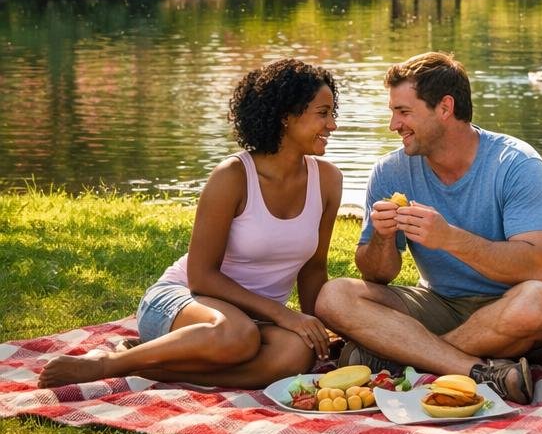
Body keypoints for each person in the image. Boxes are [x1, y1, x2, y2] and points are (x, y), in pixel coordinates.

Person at [40, 59, 343, 389]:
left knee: (295, 355)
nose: (333, 125)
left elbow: (313, 270)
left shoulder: (327, 180)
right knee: (237, 336)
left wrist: (322, 331)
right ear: (286, 115)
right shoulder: (233, 176)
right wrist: (283, 314)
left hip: (256, 321)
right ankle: (108, 363)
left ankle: (152, 369)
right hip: (184, 303)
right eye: (323, 113)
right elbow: (201, 277)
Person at [316, 51, 542, 404]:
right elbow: (379, 275)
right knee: (334, 296)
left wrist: (449, 239)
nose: (394, 125)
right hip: (443, 302)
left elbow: (535, 268)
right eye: (393, 111)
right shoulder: (390, 171)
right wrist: (381, 237)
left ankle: (403, 361)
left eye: (404, 112)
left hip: (520, 303)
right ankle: (479, 370)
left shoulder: (516, 163)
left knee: (536, 301)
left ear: (445, 108)